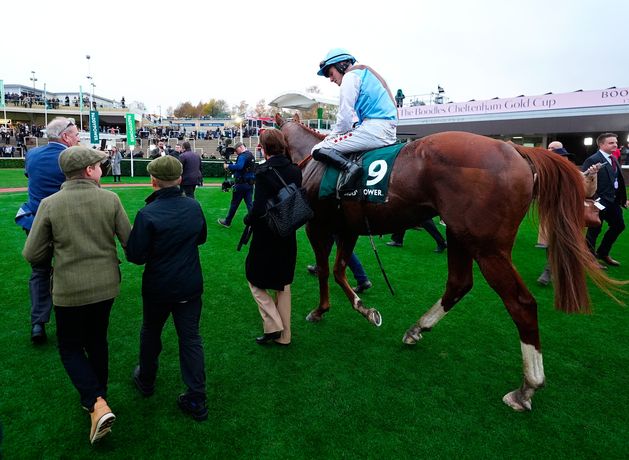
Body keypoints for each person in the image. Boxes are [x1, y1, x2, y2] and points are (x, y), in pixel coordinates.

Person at [22, 145, 131, 444]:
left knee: (71, 347)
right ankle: (98, 401)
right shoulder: (110, 199)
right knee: (96, 341)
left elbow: (32, 253)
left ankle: (95, 402)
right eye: (98, 165)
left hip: (69, 288)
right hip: (106, 285)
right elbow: (129, 241)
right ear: (87, 170)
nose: (101, 169)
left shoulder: (49, 203)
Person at [125, 155, 209, 421]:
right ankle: (196, 396)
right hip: (188, 285)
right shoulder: (192, 207)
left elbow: (136, 255)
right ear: (180, 179)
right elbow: (201, 238)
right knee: (190, 338)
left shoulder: (147, 213)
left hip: (159, 287)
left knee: (151, 332)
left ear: (153, 181)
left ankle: (146, 379)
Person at [15, 116, 80, 343]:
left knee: (40, 271)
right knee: (70, 269)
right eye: (76, 136)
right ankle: (71, 321)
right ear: (65, 137)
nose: (78, 140)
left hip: (33, 221)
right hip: (65, 223)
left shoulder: (32, 154)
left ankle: (38, 324)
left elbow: (31, 176)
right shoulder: (71, 158)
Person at [244, 129, 301, 346]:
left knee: (254, 278)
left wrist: (248, 219)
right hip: (288, 233)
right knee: (283, 284)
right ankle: (285, 337)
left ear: (264, 147)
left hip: (266, 235)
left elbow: (258, 209)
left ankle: (274, 325)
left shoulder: (263, 171)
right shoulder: (296, 170)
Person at [312, 48, 398, 191]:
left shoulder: (350, 77)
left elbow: (344, 118)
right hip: (387, 128)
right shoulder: (365, 72)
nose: (331, 79)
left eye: (331, 73)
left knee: (318, 148)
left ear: (341, 65)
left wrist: (331, 137)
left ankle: (351, 169)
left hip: (374, 129)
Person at [581, 132, 628, 267]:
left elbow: (618, 180)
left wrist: (622, 199)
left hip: (613, 202)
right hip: (598, 202)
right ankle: (589, 259)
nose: (615, 144)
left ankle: (602, 252)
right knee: (594, 230)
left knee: (619, 226)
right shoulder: (593, 159)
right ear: (601, 144)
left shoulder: (613, 158)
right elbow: (585, 180)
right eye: (611, 142)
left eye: (615, 142)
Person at [217, 142, 255, 228]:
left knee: (234, 204)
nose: (236, 152)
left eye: (236, 150)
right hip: (250, 184)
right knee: (249, 204)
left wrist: (228, 166)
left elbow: (239, 166)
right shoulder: (250, 155)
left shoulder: (242, 156)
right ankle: (255, 222)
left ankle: (227, 222)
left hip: (241, 185)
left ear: (241, 147)